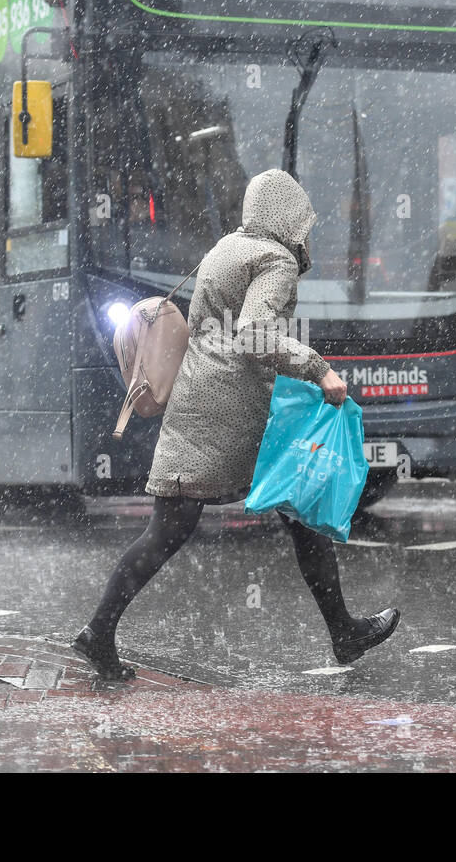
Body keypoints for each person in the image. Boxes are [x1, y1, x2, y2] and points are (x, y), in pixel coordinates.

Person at [72, 168, 401, 680]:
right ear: (287, 217)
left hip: (198, 402)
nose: (305, 232)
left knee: (276, 512)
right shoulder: (275, 259)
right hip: (233, 415)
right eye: (302, 219)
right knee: (187, 527)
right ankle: (98, 631)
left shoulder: (225, 248)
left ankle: (343, 632)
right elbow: (253, 334)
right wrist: (319, 368)